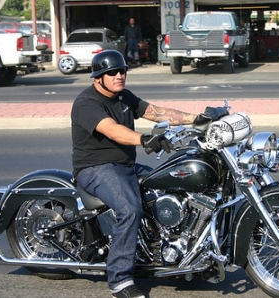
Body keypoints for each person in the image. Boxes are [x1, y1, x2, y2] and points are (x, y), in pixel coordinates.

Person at [71, 50, 197, 298]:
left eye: (122, 71)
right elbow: (113, 130)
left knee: (169, 186)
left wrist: (199, 118)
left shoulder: (124, 97)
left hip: (126, 166)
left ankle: (166, 252)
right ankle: (119, 279)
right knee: (130, 209)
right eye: (112, 72)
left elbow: (156, 112)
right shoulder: (87, 103)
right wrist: (145, 140)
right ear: (98, 77)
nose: (119, 75)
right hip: (96, 168)